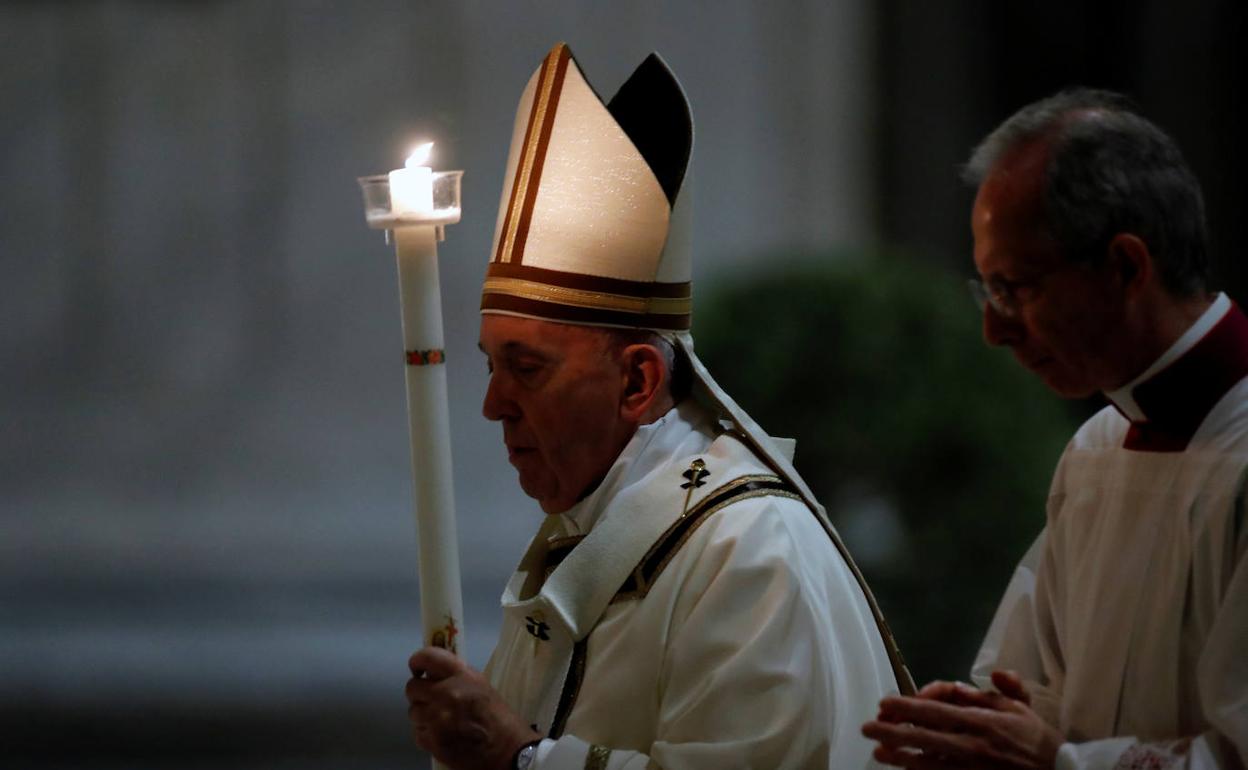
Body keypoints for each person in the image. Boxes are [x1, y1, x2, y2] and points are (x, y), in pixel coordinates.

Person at [403, 43, 912, 770]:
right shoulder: (591, 528)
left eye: (527, 368)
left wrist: (517, 759)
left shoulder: (748, 552)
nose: (492, 406)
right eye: (491, 364)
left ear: (638, 382)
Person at [862, 89, 1248, 769]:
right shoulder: (1096, 450)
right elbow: (1030, 688)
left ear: (1127, 266)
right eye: (988, 291)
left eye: (1015, 288)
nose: (993, 329)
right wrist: (975, 730)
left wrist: (1055, 763)